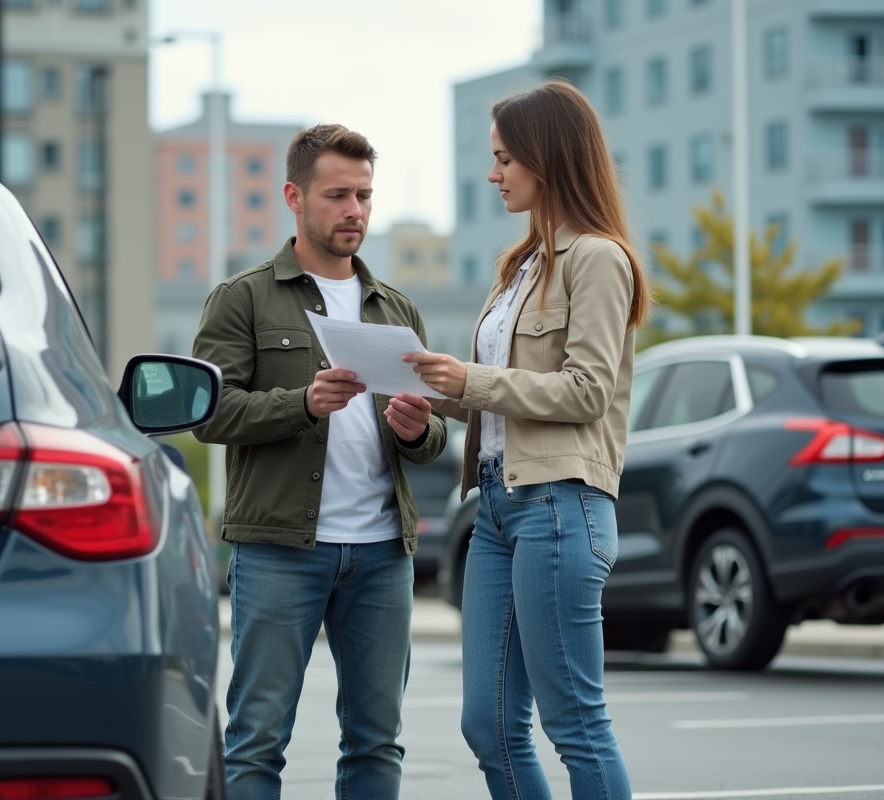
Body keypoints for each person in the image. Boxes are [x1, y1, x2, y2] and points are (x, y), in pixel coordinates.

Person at [404, 79, 651, 800]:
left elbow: (585, 392)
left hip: (559, 506)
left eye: (505, 158)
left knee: (574, 722)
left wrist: (471, 380)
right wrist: (430, 397)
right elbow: (500, 401)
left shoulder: (598, 259)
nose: (493, 174)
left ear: (548, 157)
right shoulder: (519, 268)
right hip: (496, 510)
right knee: (489, 726)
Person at [191, 123, 447, 800]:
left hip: (382, 553)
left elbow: (435, 437)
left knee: (376, 741)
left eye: (364, 194)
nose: (355, 210)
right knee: (256, 742)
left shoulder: (395, 308)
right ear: (293, 197)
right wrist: (301, 403)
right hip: (279, 550)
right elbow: (210, 414)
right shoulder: (243, 299)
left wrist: (418, 430)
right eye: (337, 195)